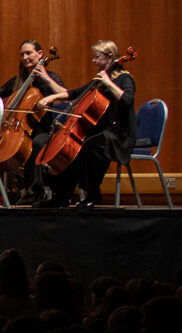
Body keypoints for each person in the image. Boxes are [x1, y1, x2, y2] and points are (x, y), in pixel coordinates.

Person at [36, 40, 135, 208]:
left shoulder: (124, 78)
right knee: (72, 148)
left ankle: (93, 194)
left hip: (119, 133)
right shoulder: (99, 79)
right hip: (102, 131)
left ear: (109, 57)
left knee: (90, 146)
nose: (94, 61)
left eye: (97, 57)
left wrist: (109, 83)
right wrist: (53, 97)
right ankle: (62, 195)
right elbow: (76, 93)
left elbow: (127, 100)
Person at [0, 39, 70, 203]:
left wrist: (46, 78)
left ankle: (37, 191)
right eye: (22, 54)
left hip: (45, 130)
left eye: (29, 53)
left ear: (40, 54)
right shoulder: (18, 81)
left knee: (37, 143)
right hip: (18, 129)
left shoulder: (51, 77)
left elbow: (65, 96)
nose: (25, 57)